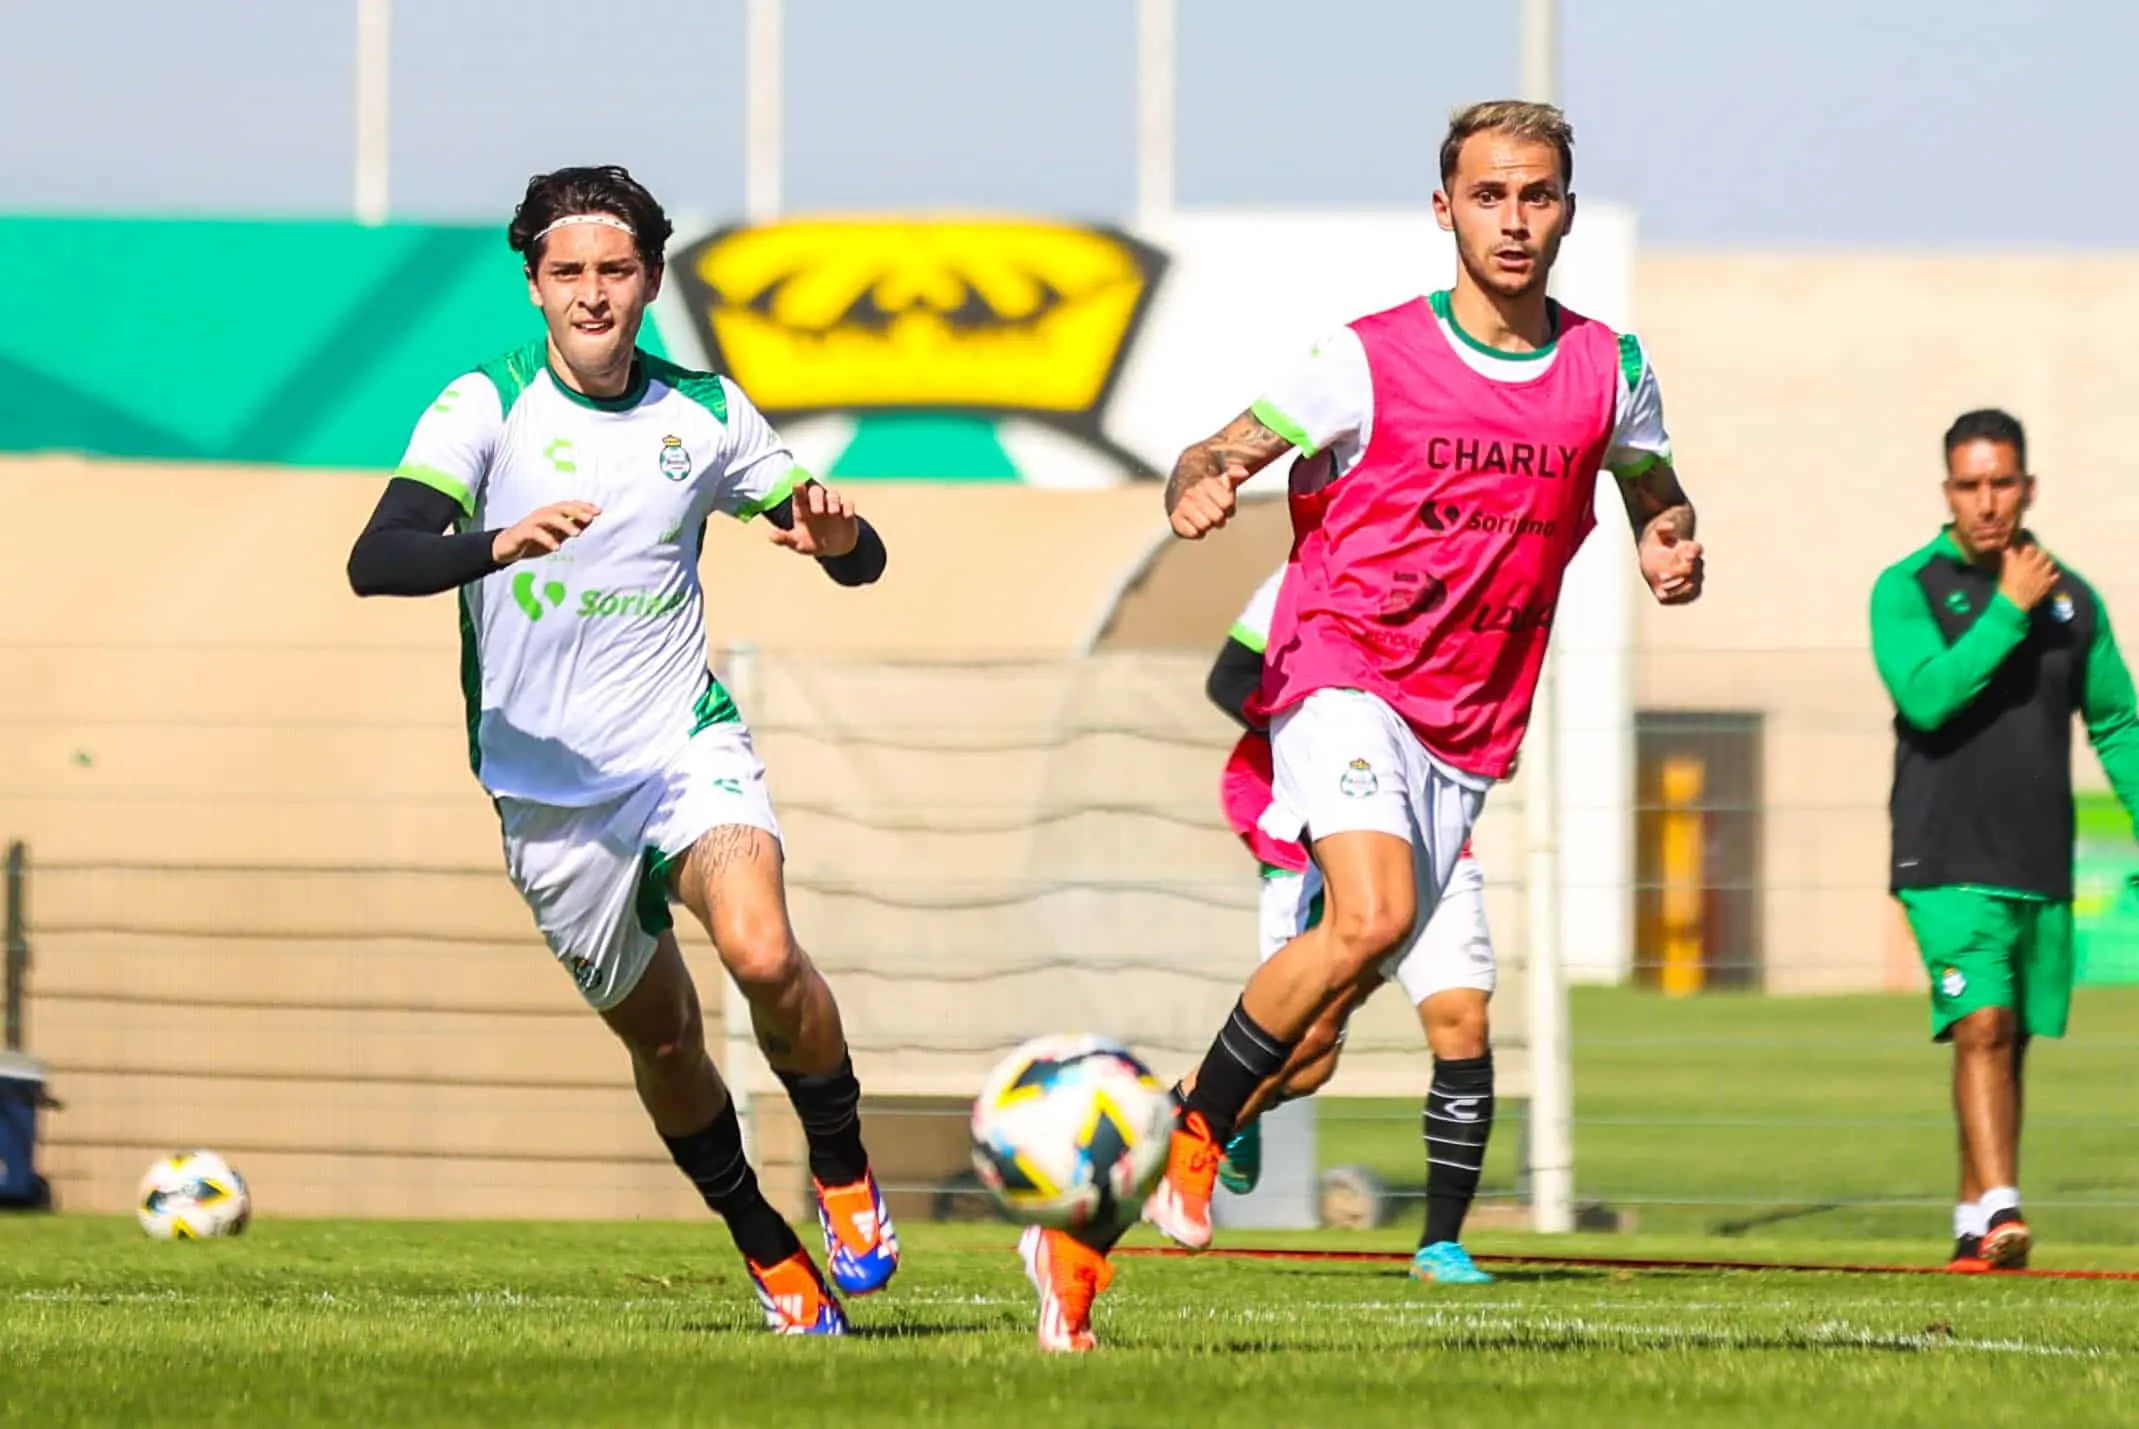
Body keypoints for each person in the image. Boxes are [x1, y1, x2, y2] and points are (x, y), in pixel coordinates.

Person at [1019, 99, 1704, 1352]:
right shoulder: (1366, 356)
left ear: (1563, 207)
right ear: (1443, 208)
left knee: (1323, 1029)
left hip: (1467, 722)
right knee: (1376, 913)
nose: (1514, 218)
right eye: (1488, 194)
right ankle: (1194, 1129)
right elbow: (1211, 448)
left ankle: (1076, 1234)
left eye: (1537, 194)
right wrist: (1206, 481)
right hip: (1342, 671)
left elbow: (1651, 481)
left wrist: (1667, 535)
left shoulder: (1611, 367)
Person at [346, 166, 898, 1335]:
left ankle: (844, 1169)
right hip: (545, 790)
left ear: (649, 278)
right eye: (567, 274)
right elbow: (379, 555)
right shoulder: (483, 408)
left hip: (679, 746)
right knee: (664, 1035)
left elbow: (850, 551)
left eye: (614, 270)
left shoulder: (702, 411)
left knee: (761, 948)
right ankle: (761, 1236)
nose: (592, 295)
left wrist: (842, 538)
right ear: (535, 286)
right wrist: (496, 542)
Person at [1870, 408, 2139, 1272]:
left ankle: (1968, 1222)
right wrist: (2006, 612)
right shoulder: (1905, 588)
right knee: (1979, 1022)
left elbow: (2116, 725)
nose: (1986, 500)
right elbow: (1926, 698)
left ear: (2027, 486)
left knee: (2003, 1037)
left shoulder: (2075, 600)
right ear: (1946, 490)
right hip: (1941, 855)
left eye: (2001, 482)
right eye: (1968, 484)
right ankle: (2002, 1208)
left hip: (2034, 857)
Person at [1203, 560, 1501, 1285]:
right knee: (1307, 1050)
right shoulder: (1297, 579)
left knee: (1462, 1018)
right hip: (1324, 828)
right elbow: (1228, 678)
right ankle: (1208, 1118)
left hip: (1436, 829)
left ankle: (1439, 1245)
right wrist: (1311, 721)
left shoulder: (1473, 569)